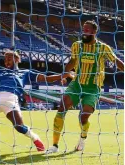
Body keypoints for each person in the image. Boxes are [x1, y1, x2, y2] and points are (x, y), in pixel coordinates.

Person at [46, 20, 124, 154]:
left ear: (94, 32)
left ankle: (82, 138)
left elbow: (116, 61)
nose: (84, 31)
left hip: (93, 87)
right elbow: (73, 61)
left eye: (87, 29)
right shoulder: (76, 45)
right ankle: (54, 146)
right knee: (61, 108)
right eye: (83, 28)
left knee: (84, 117)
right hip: (76, 84)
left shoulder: (103, 47)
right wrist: (64, 74)